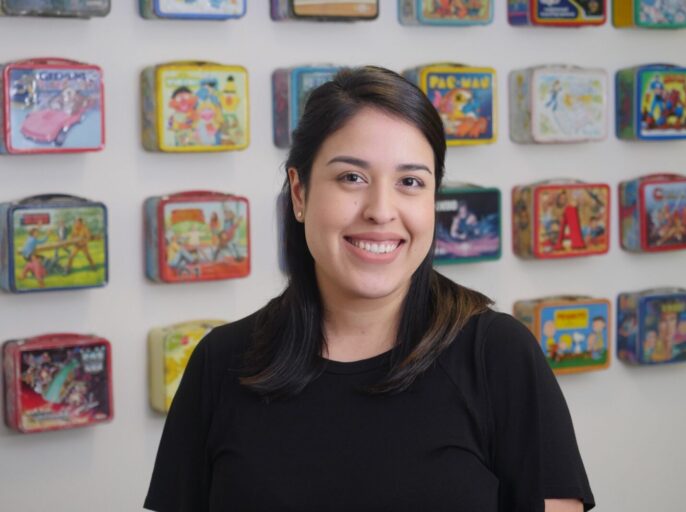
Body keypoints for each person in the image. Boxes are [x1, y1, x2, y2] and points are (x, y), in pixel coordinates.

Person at [145, 66, 594, 512]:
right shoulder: (220, 363)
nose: (381, 210)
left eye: (410, 182)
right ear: (299, 194)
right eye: (352, 178)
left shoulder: (498, 356)